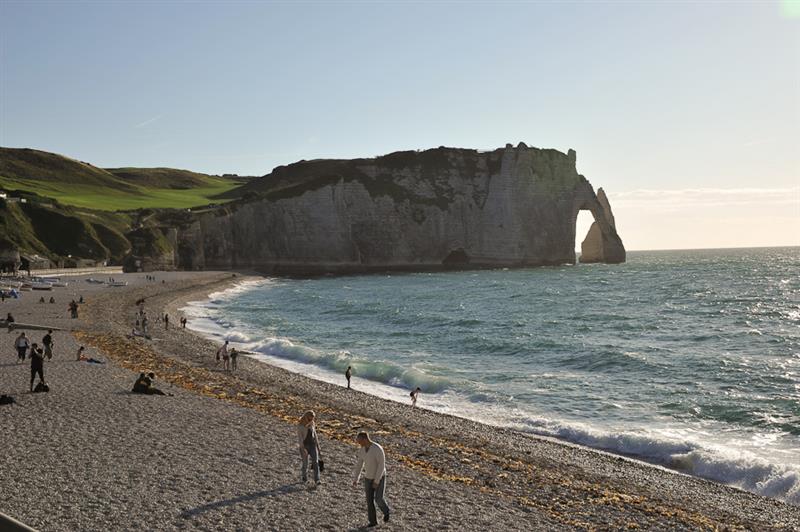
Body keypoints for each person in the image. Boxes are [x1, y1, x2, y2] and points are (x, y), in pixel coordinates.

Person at [352, 431, 390, 526]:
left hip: (380, 477)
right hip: (368, 477)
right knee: (369, 501)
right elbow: (359, 464)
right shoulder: (362, 450)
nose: (359, 444)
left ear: (365, 439)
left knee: (378, 499)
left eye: (360, 441)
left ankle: (386, 511)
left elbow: (381, 466)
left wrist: (376, 481)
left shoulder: (377, 449)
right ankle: (373, 521)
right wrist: (356, 479)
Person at [298, 411, 322, 485]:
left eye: (312, 419)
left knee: (316, 462)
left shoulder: (312, 424)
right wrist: (303, 449)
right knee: (305, 463)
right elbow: (300, 439)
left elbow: (315, 435)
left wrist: (318, 446)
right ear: (306, 417)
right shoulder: (300, 426)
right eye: (310, 419)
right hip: (304, 446)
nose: (311, 420)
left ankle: (317, 479)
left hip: (312, 445)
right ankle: (304, 478)